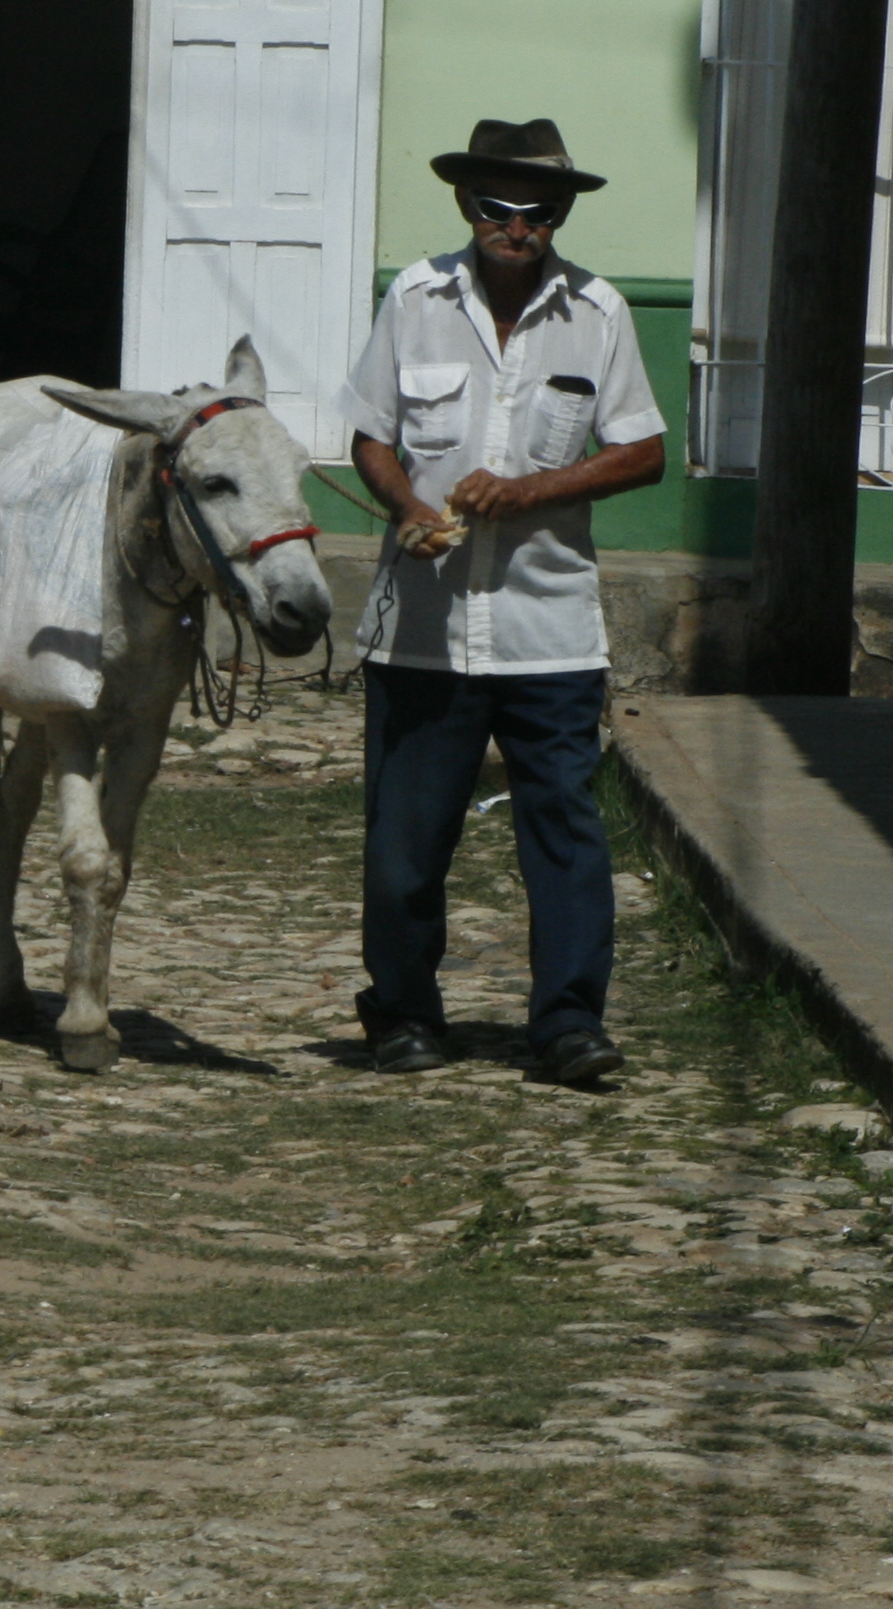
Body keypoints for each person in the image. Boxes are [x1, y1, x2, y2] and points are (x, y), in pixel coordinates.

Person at [341, 119, 668, 1087]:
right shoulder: (414, 298)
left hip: (549, 632)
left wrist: (526, 493)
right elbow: (367, 432)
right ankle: (401, 1015)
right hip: (424, 635)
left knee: (564, 836)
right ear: (465, 205)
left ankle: (568, 1025)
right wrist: (407, 506)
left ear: (558, 217)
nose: (515, 227)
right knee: (403, 847)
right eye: (497, 207)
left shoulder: (599, 313)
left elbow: (644, 451)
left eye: (536, 212)